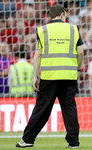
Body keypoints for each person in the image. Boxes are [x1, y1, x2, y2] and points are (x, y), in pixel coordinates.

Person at [15, 5, 84, 148]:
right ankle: (74, 142)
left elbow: (37, 55)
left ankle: (28, 139)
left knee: (42, 109)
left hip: (49, 76)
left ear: (50, 16)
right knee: (69, 108)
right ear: (63, 14)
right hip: (69, 76)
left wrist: (35, 76)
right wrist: (77, 68)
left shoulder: (42, 30)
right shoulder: (73, 29)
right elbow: (81, 52)